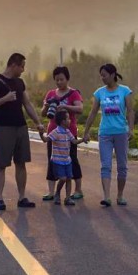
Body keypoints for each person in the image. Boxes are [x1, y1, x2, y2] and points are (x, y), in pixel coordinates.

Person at [0, 53, 45, 211]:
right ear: (13, 65)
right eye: (22, 66)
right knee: (0, 164)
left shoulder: (19, 83)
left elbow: (27, 104)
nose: (23, 70)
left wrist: (38, 122)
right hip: (3, 127)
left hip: (21, 127)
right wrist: (5, 98)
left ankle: (22, 197)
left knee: (21, 162)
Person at [82, 63, 134, 207]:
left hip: (121, 133)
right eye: (101, 75)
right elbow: (93, 112)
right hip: (105, 133)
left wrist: (131, 129)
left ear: (113, 75)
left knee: (122, 166)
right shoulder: (99, 93)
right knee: (105, 165)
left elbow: (130, 111)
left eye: (104, 75)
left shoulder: (125, 91)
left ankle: (120, 195)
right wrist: (86, 131)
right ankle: (106, 197)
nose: (102, 78)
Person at [40, 66, 84, 201]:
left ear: (67, 79)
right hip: (53, 133)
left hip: (69, 132)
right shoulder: (50, 94)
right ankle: (51, 191)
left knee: (72, 160)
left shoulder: (74, 93)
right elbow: (43, 113)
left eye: (62, 79)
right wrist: (47, 106)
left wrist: (65, 107)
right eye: (57, 80)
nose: (59, 82)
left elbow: (80, 109)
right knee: (52, 159)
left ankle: (78, 190)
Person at [38, 109, 83, 205]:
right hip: (57, 161)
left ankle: (67, 198)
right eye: (68, 118)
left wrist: (83, 140)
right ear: (63, 121)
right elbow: (46, 140)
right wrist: (41, 134)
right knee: (62, 178)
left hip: (67, 160)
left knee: (69, 178)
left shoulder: (67, 131)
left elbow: (74, 141)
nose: (70, 120)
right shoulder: (56, 132)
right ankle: (57, 193)